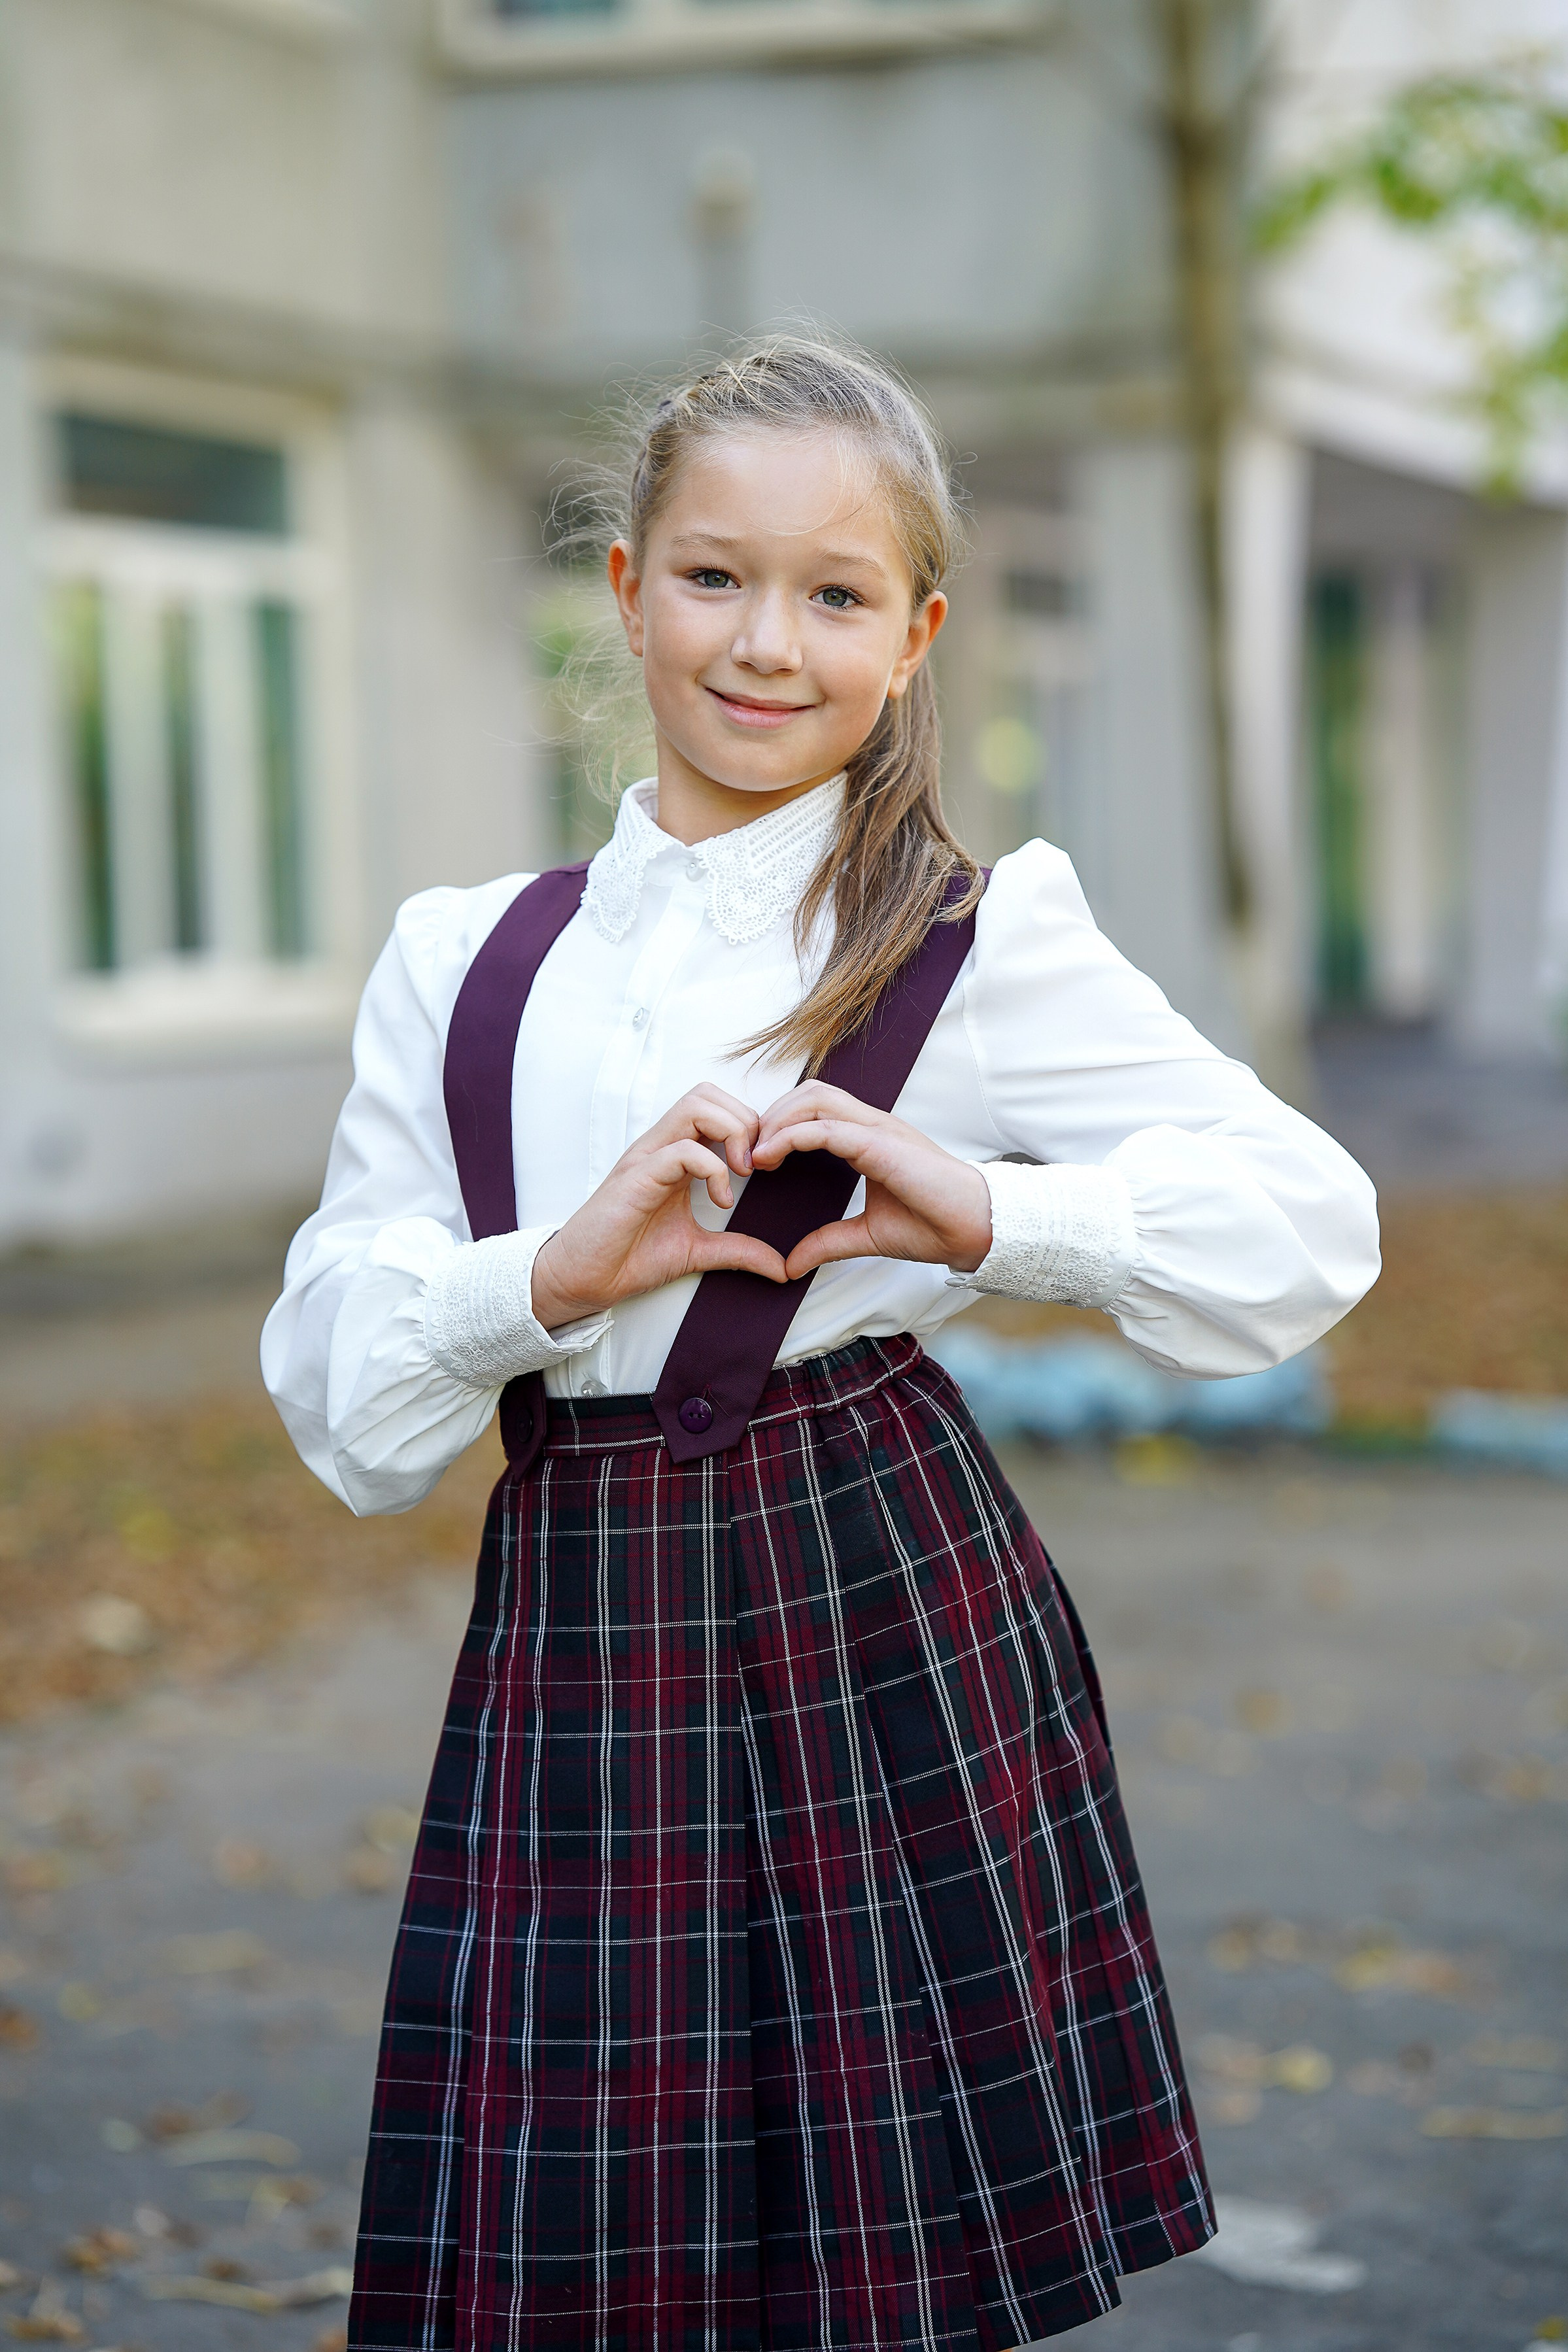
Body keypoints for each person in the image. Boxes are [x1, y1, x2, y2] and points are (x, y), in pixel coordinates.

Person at [262, 333, 1379, 2352]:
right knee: (575, 2252)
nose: (767, 642)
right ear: (623, 588)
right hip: (585, 1621)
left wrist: (997, 1209)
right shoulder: (463, 961)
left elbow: (1312, 1227)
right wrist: (548, 1277)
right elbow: (343, 1406)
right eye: (713, 576)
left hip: (882, 1602)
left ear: (916, 632)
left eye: (837, 593)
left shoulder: (979, 932)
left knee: (873, 2281)